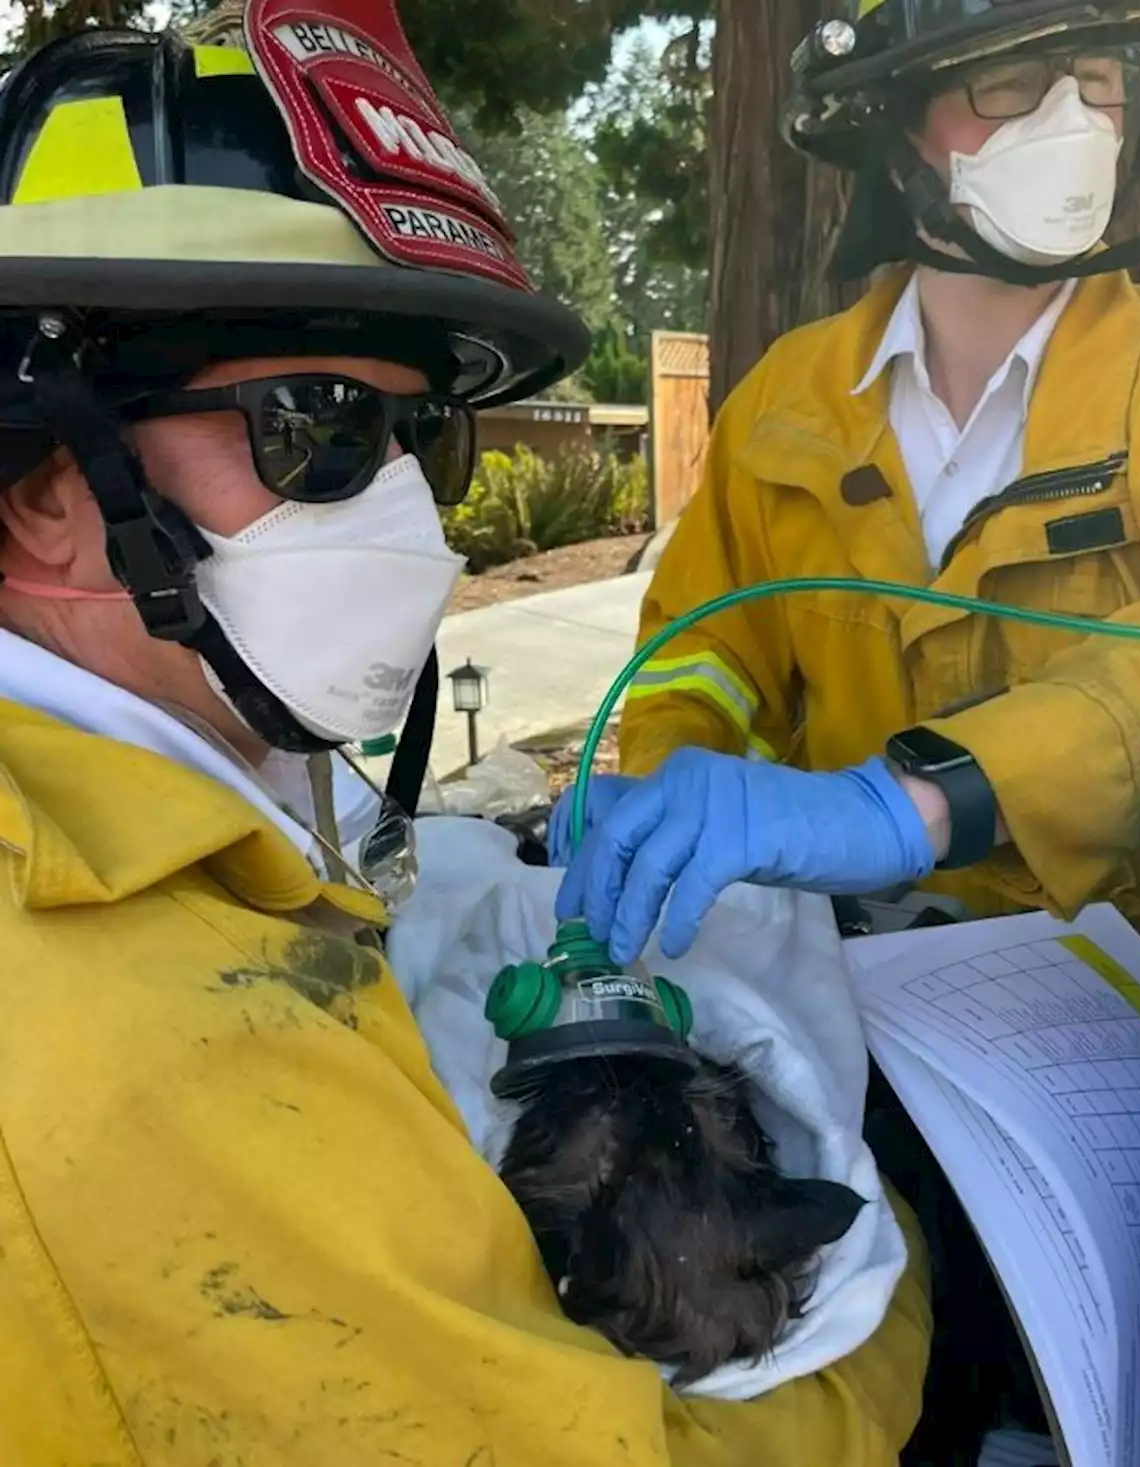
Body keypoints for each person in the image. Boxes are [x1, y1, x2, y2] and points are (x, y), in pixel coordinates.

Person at [0, 5, 930, 1464]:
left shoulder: (179, 816)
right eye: (315, 425)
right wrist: (890, 1291)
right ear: (43, 486)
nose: (412, 519)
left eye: (425, 438)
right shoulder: (141, 1044)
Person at [554, 0, 1140, 991]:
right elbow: (704, 652)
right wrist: (666, 786)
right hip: (859, 991)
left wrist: (915, 803)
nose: (1071, 123)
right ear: (896, 122)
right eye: (1010, 84)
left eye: (1096, 78)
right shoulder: (784, 405)